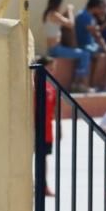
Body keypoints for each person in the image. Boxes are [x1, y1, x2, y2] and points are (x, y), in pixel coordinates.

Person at [42, 0, 91, 92]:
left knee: (82, 54)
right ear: (57, 4)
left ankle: (78, 83)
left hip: (55, 48)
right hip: (56, 49)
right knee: (85, 54)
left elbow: (62, 19)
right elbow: (71, 24)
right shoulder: (53, 14)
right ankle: (78, 83)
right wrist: (70, 10)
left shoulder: (50, 14)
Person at [34, 55, 59, 196]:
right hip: (34, 128)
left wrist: (59, 129)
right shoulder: (33, 86)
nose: (52, 72)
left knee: (43, 159)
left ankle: (43, 185)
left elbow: (54, 112)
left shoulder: (51, 88)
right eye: (49, 69)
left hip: (47, 130)